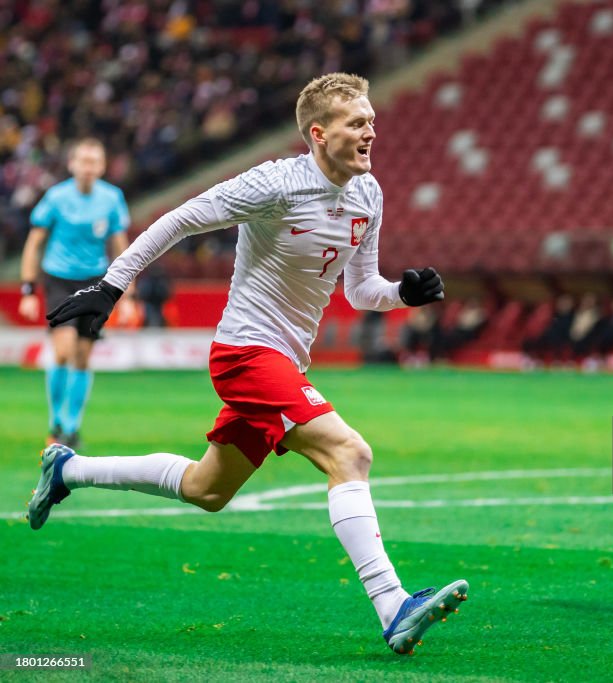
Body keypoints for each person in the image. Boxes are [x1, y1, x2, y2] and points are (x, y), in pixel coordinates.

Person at [28, 73, 467, 655]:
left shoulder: (369, 193)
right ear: (318, 133)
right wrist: (111, 286)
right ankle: (394, 606)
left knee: (206, 488)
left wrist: (401, 295)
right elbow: (181, 218)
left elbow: (362, 290)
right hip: (246, 353)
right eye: (356, 123)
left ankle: (68, 470)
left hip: (286, 360)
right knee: (349, 452)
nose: (370, 131)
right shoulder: (275, 184)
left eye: (371, 121)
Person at [18, 138, 132, 449]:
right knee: (64, 350)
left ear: (102, 167)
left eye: (94, 162)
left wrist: (127, 293)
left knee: (83, 357)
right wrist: (28, 288)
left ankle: (72, 426)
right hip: (59, 280)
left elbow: (119, 246)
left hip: (96, 281)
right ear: (72, 164)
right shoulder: (56, 198)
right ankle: (56, 420)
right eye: (83, 161)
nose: (88, 167)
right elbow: (34, 242)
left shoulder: (111, 199)